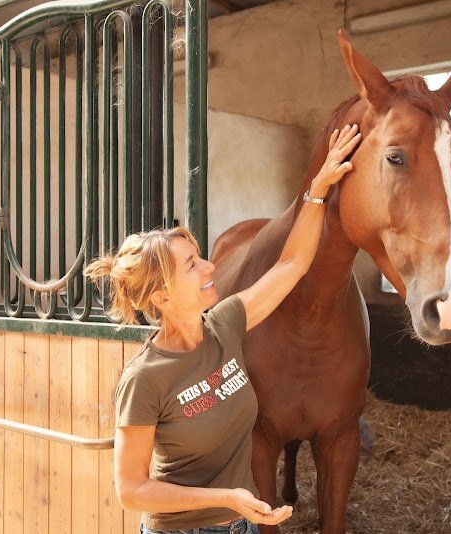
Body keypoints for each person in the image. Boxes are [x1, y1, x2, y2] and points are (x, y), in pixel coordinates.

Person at [85, 124, 361, 534]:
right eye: (192, 265)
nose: (210, 267)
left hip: (241, 526)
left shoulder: (225, 325)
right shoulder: (144, 379)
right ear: (161, 297)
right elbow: (131, 490)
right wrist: (224, 499)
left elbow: (291, 265)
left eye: (201, 257)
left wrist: (317, 188)